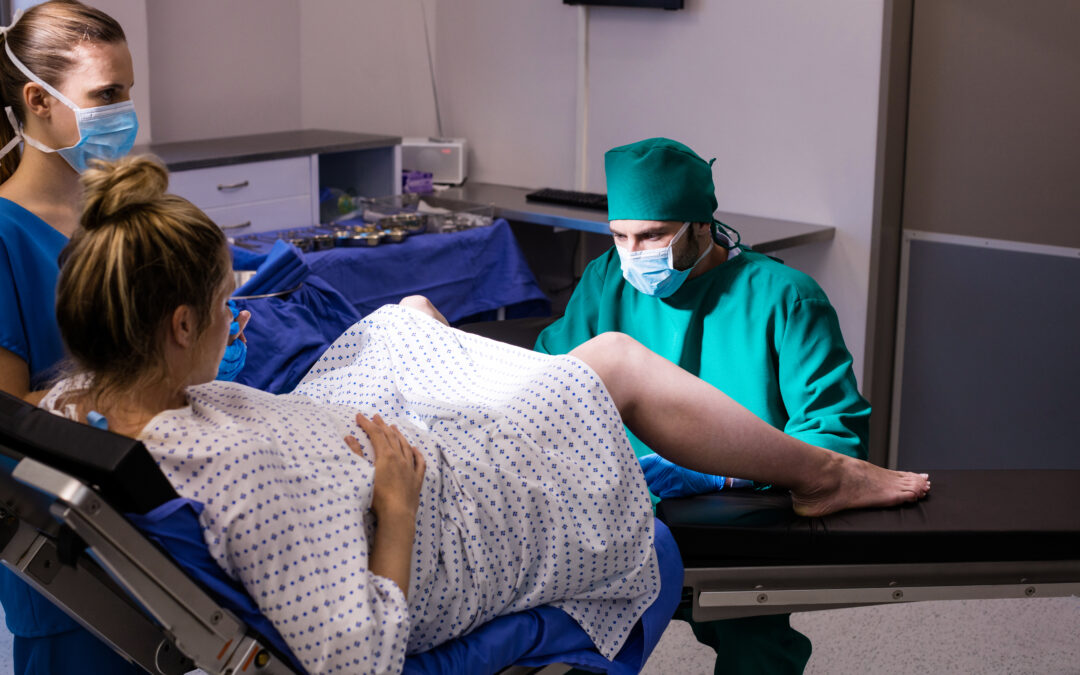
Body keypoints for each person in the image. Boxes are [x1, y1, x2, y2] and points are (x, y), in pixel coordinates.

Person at [41, 154, 929, 674]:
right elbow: (359, 657)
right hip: (416, 498)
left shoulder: (68, 405)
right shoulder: (234, 479)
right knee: (609, 370)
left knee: (413, 316)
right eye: (227, 307)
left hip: (335, 428)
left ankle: (522, 402)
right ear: (180, 324)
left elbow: (261, 431)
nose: (239, 318)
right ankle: (828, 475)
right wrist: (394, 500)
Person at [535, 137, 874, 673]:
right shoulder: (606, 279)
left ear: (702, 225)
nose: (633, 254)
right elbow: (550, 380)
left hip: (738, 507)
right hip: (615, 500)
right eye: (620, 236)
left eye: (651, 237)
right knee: (572, 640)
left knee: (752, 641)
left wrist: (729, 477)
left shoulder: (785, 297)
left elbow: (833, 434)